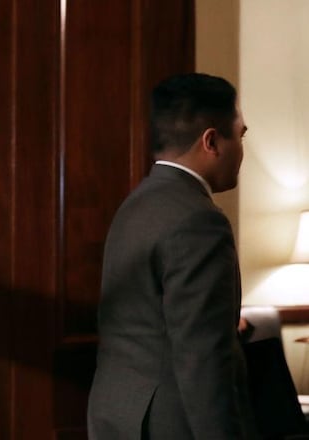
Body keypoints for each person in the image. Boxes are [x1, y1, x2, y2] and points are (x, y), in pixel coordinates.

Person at [86, 73, 258, 439]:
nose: (243, 148)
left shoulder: (135, 204)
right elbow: (205, 363)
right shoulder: (200, 220)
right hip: (171, 424)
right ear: (212, 141)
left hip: (117, 414)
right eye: (241, 134)